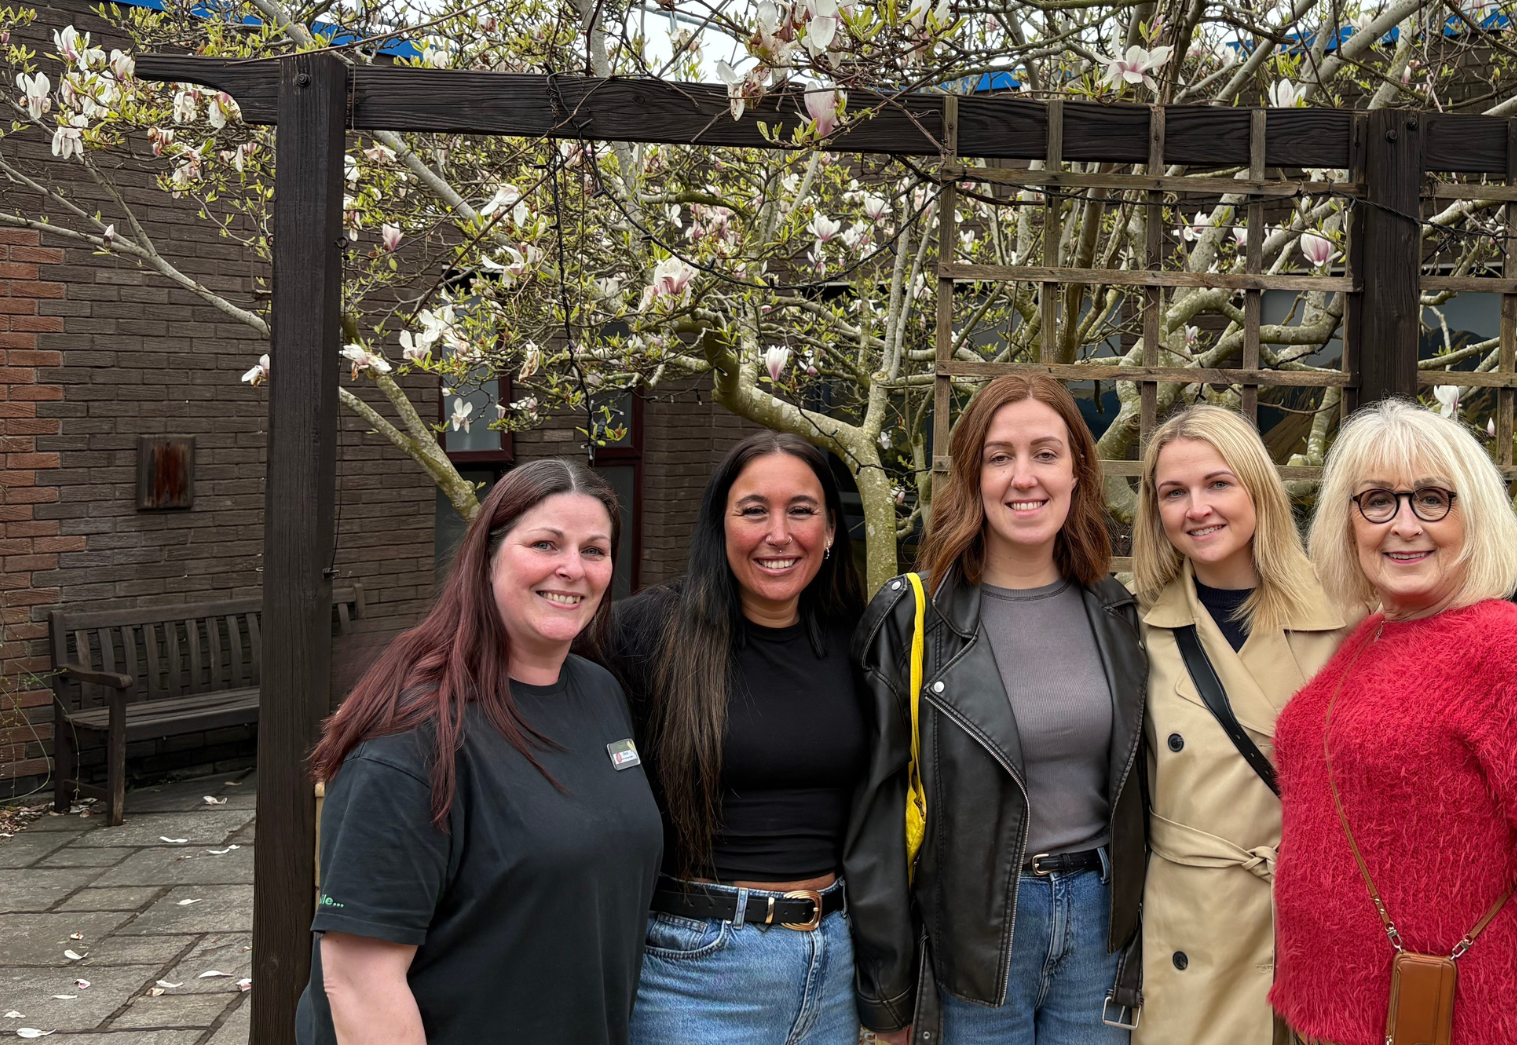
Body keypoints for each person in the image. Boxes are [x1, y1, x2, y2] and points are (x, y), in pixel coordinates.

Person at [1271, 398, 1517, 1044]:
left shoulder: (1507, 649)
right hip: (1339, 1015)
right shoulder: (1373, 635)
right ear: (1348, 520)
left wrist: (1498, 979)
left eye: (1431, 498)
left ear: (1472, 515)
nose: (1404, 524)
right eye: (1377, 500)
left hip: (1451, 1024)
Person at [298, 459, 662, 1045]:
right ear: (487, 555)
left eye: (594, 551)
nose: (572, 569)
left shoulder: (600, 693)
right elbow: (359, 982)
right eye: (545, 544)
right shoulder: (414, 730)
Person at [850, 373, 1147, 1043]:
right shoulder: (913, 616)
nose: (1024, 477)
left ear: (1077, 471)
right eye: (999, 455)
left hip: (1100, 930)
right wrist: (890, 994)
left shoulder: (1116, 613)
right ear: (972, 476)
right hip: (975, 933)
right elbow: (875, 820)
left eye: (1045, 453)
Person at [600, 432, 872, 1045]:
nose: (779, 533)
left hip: (832, 968)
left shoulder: (862, 641)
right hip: (692, 972)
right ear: (719, 527)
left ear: (830, 531)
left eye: (801, 511)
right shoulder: (647, 634)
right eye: (754, 511)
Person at [1129, 405, 1344, 1045]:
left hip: (1318, 921)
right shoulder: (1132, 629)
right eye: (1175, 492)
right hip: (1194, 921)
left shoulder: (1345, 616)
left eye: (1218, 483)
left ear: (1257, 489)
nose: (1198, 508)